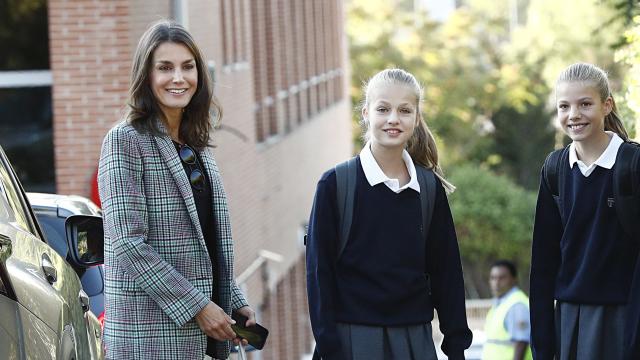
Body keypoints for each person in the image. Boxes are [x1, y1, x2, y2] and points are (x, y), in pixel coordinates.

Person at [98, 20, 255, 360]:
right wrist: (199, 306)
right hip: (151, 337)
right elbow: (128, 244)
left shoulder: (195, 143)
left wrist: (234, 300)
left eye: (188, 67)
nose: (178, 78)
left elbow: (207, 239)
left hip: (205, 338)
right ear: (147, 75)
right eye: (165, 68)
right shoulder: (124, 141)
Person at [306, 68, 472, 360]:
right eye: (383, 109)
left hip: (415, 341)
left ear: (417, 118)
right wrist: (330, 347)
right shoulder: (335, 184)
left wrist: (455, 345)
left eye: (404, 110)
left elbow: (447, 271)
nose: (393, 118)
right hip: (352, 341)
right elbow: (319, 274)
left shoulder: (428, 188)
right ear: (367, 113)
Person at [530, 62, 639, 360]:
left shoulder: (633, 165)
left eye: (585, 104)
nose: (574, 114)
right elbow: (543, 261)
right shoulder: (554, 169)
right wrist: (542, 344)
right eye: (564, 106)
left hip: (624, 320)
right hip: (569, 323)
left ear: (607, 105)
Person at [482, 260, 532, 360]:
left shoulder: (517, 305)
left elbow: (521, 342)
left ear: (514, 279)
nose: (496, 282)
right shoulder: (500, 304)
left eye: (502, 278)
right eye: (493, 278)